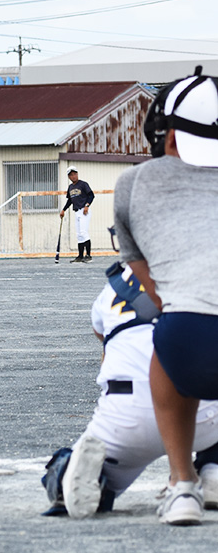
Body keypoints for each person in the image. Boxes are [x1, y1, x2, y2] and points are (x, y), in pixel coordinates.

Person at [112, 69, 218, 525]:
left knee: (171, 335)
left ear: (170, 137)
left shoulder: (135, 183)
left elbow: (156, 293)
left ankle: (182, 484)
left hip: (192, 342)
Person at [41, 265, 218, 519]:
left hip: (125, 415)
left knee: (75, 465)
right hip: (201, 411)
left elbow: (103, 339)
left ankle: (72, 476)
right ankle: (213, 468)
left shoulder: (111, 289)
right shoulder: (205, 274)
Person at [59, 166, 94, 263]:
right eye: (71, 175)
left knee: (83, 232)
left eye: (74, 174)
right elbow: (70, 200)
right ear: (69, 177)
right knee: (79, 234)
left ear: (77, 174)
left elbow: (91, 195)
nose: (73, 176)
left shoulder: (83, 184)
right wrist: (64, 210)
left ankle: (88, 255)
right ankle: (80, 256)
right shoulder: (71, 187)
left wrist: (87, 205)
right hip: (77, 211)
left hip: (84, 210)